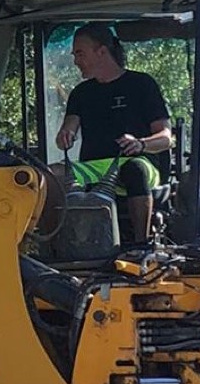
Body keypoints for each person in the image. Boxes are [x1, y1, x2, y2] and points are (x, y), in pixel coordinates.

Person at [54, 22, 174, 242]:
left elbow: (166, 137)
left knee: (134, 169)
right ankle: (55, 245)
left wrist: (140, 144)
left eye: (80, 54)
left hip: (141, 162)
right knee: (50, 175)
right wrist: (65, 136)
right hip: (96, 168)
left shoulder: (141, 84)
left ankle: (141, 243)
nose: (76, 61)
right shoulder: (81, 93)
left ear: (102, 51)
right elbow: (68, 129)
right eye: (74, 55)